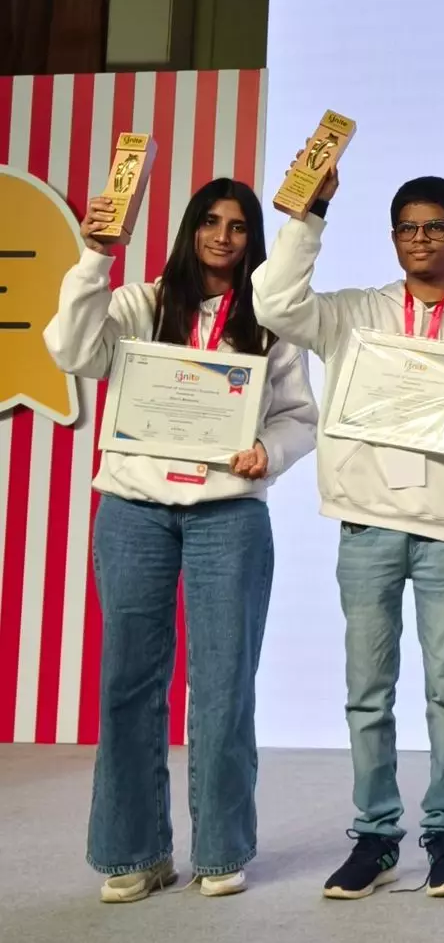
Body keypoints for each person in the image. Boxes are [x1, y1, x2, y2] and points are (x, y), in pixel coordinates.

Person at [250, 169, 444, 900]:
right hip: (368, 522)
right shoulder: (354, 312)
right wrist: (311, 213)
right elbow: (274, 300)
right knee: (367, 693)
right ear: (393, 238)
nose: (420, 239)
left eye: (434, 227)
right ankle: (376, 836)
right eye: (408, 228)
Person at [44, 179, 317, 902]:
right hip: (133, 509)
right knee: (128, 683)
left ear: (252, 239)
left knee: (224, 686)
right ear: (191, 228)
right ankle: (135, 852)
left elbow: (299, 417)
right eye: (210, 222)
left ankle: (222, 849)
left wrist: (270, 451)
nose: (223, 236)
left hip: (227, 515)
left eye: (238, 226)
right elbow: (70, 350)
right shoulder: (138, 303)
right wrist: (94, 259)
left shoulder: (268, 323)